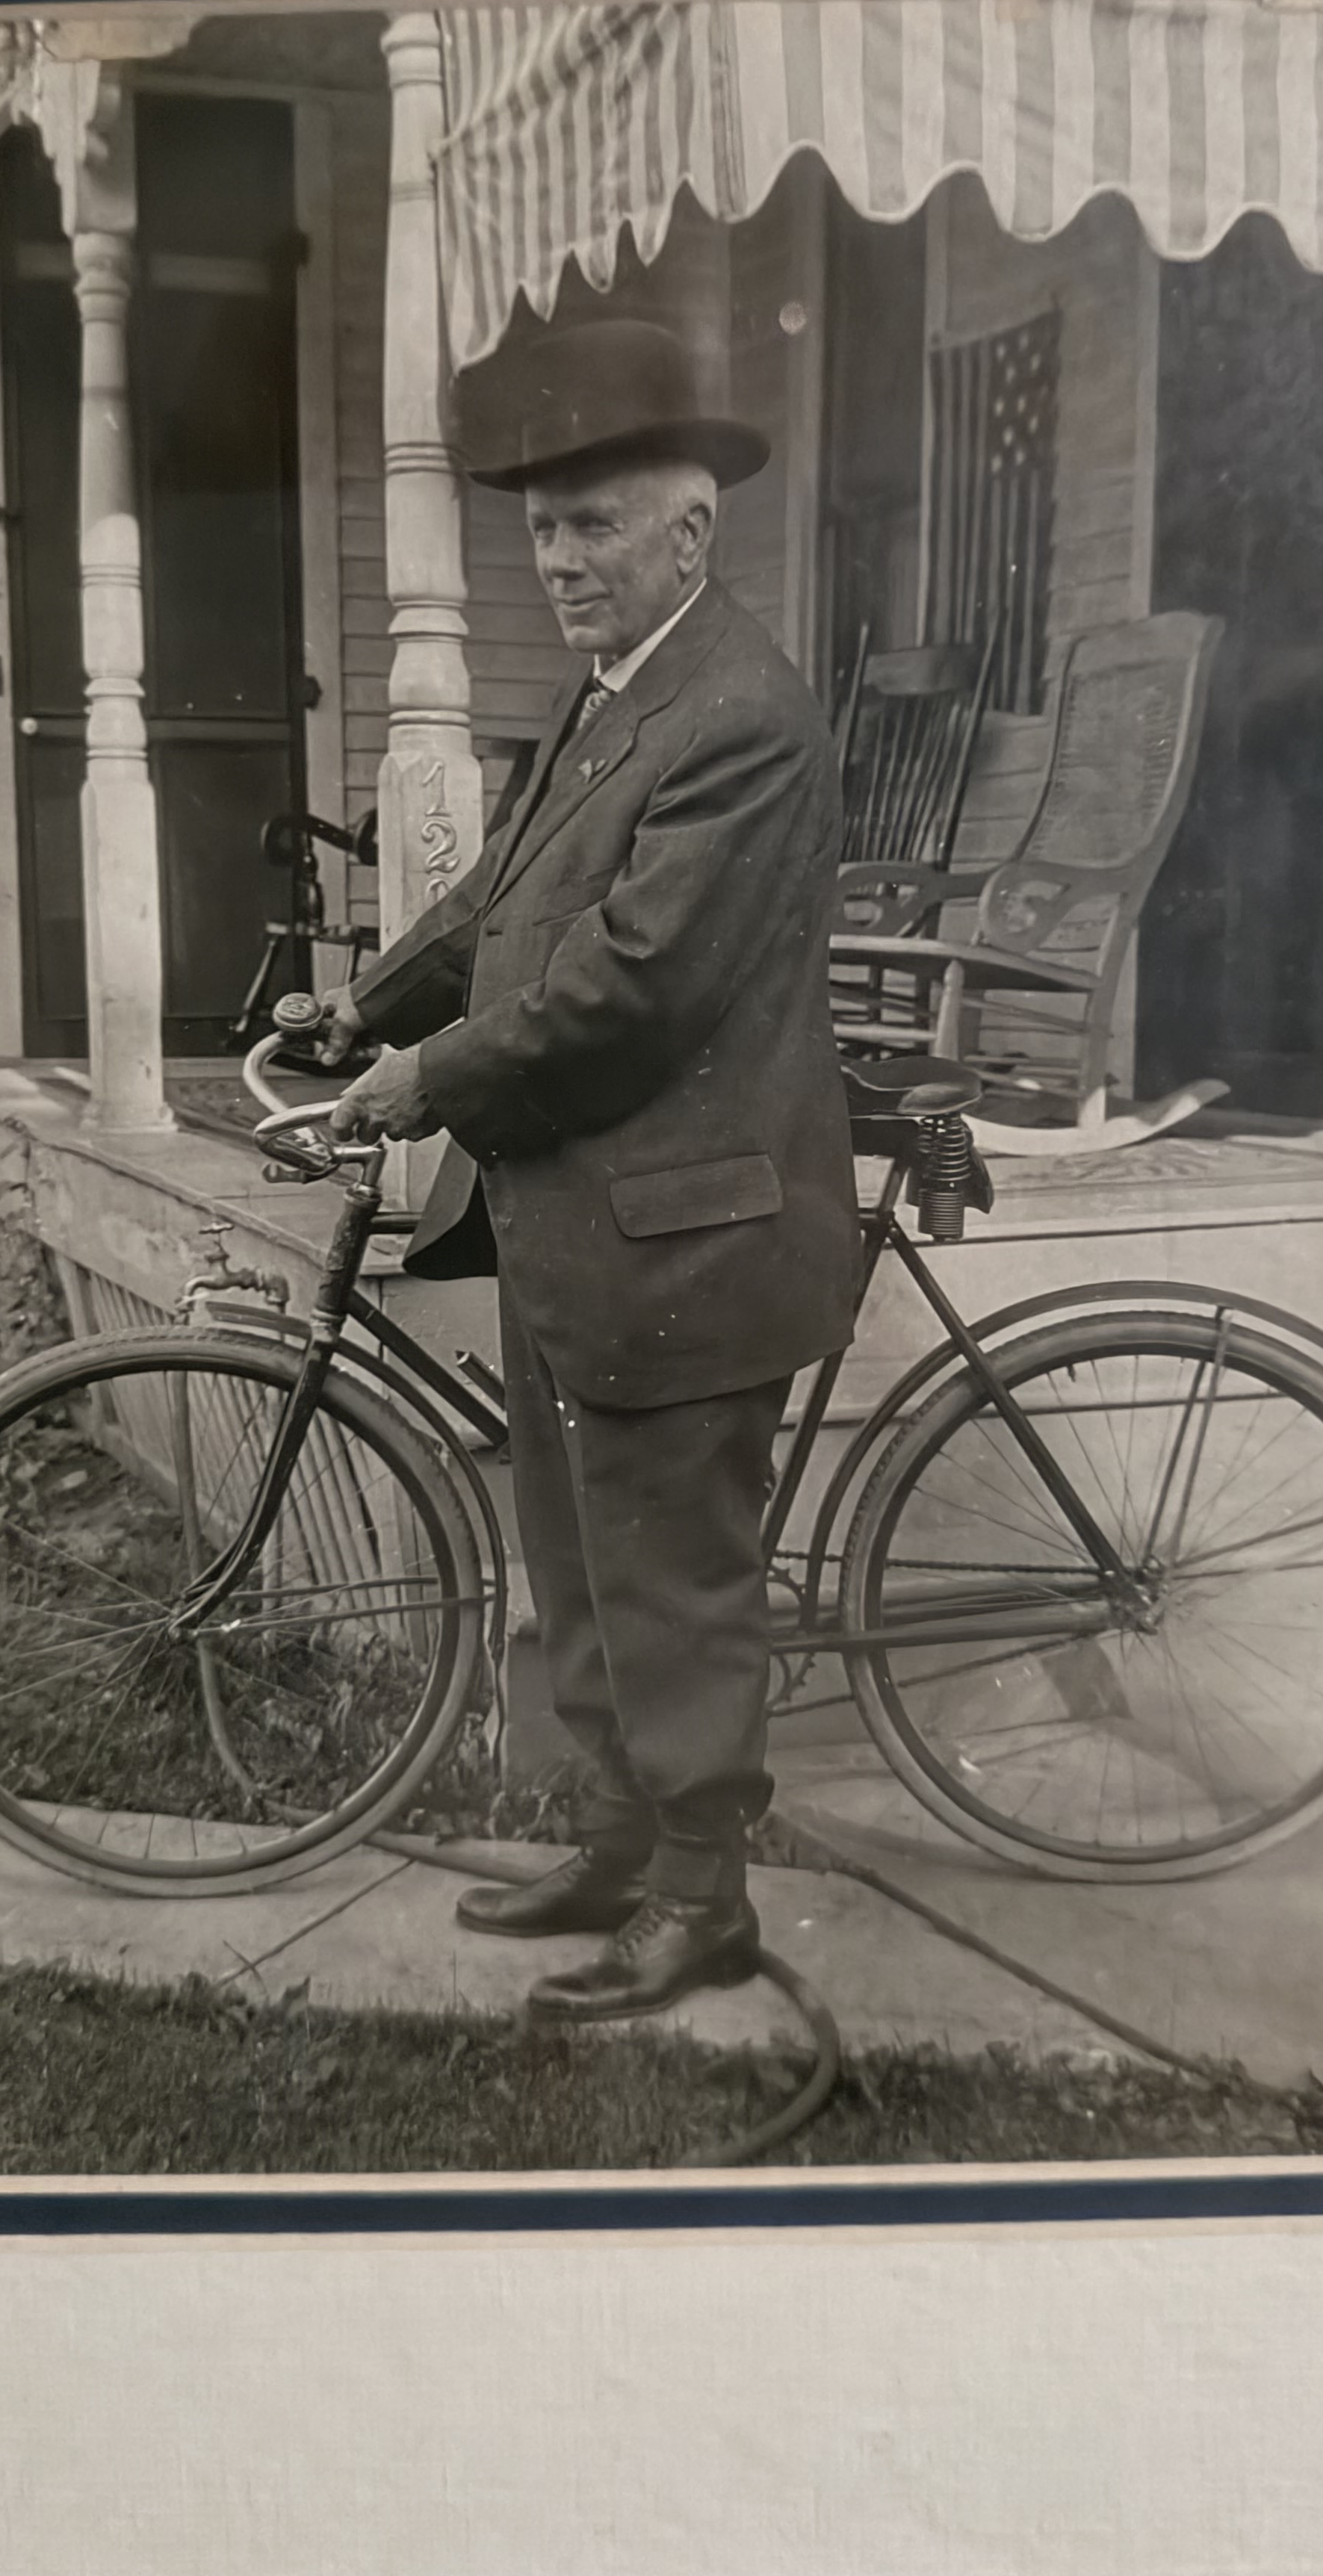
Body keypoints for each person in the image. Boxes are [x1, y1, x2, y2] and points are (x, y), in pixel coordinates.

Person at [317, 318, 861, 2020]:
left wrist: (427, 1080)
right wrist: (368, 1002)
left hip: (687, 1231)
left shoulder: (744, 716)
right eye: (543, 529)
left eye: (594, 525)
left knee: (673, 1585)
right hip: (584, 1223)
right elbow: (504, 899)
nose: (557, 559)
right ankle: (624, 1848)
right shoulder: (617, 688)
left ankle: (704, 1899)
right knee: (585, 1568)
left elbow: (637, 985)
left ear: (689, 535)